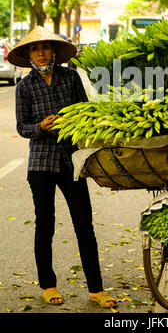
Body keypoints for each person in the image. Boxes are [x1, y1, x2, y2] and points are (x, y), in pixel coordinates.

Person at [8, 26, 117, 308]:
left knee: (84, 226)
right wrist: (41, 127)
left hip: (72, 161)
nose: (41, 51)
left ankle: (96, 289)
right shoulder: (25, 86)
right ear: (28, 54)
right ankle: (48, 285)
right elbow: (22, 127)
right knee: (45, 226)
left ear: (54, 51)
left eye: (45, 46)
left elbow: (84, 111)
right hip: (41, 164)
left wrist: (75, 124)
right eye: (35, 48)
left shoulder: (70, 78)